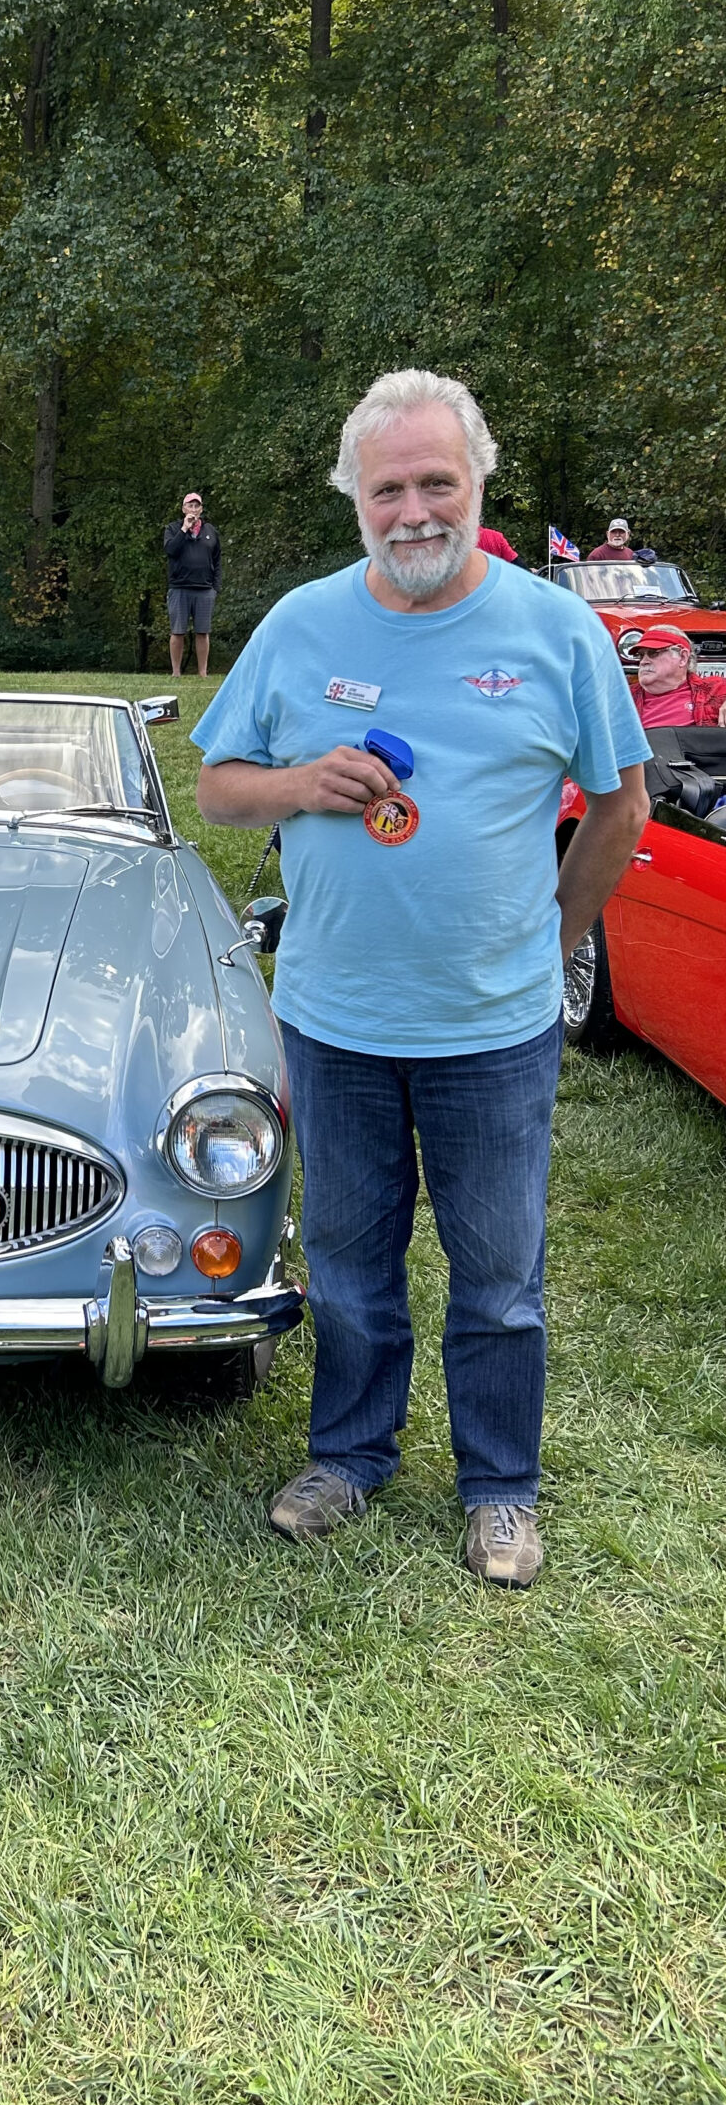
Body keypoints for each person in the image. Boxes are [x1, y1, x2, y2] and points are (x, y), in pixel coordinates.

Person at [193, 368, 648, 1589]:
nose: (412, 512)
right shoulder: (301, 625)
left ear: (478, 482)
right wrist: (299, 785)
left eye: (436, 482)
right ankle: (348, 1455)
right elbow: (218, 788)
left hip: (492, 1027)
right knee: (349, 1262)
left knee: (499, 1276)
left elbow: (621, 807)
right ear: (354, 496)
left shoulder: (558, 632)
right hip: (333, 1018)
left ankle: (500, 1487)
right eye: (386, 489)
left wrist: (552, 942)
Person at [164, 491, 221, 677]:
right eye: (190, 505)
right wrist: (184, 529)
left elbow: (217, 560)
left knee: (203, 632)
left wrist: (215, 588)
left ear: (201, 509)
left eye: (197, 506)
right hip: (179, 587)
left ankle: (202, 673)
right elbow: (171, 550)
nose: (194, 509)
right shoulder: (173, 529)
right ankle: (176, 672)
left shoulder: (210, 531)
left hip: (204, 589)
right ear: (184, 509)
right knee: (177, 631)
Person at [627, 625, 726, 728]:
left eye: (653, 653)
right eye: (641, 655)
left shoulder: (715, 689)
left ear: (683, 658)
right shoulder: (624, 699)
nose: (643, 662)